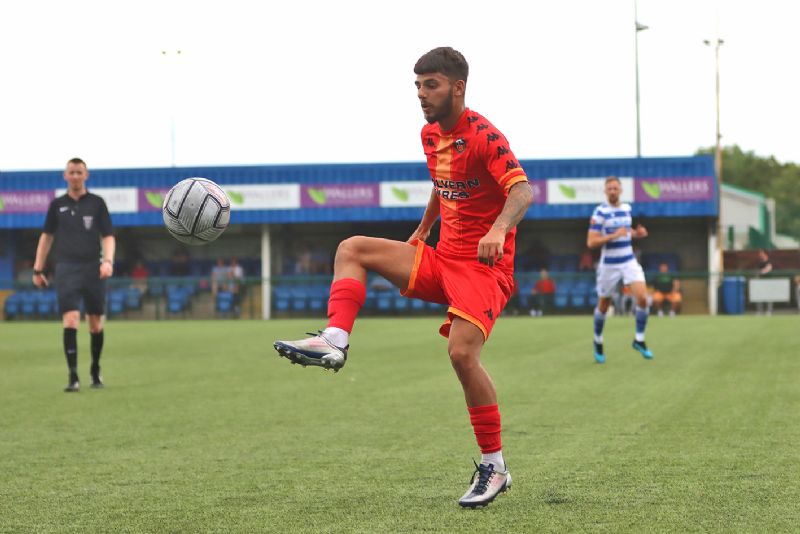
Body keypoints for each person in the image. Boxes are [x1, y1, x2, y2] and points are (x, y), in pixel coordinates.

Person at [273, 47, 533, 508]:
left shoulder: (484, 135)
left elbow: (521, 189)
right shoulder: (430, 135)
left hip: (483, 270)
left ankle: (494, 466)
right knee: (351, 248)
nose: (421, 94)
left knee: (461, 355)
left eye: (430, 85)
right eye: (416, 86)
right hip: (440, 259)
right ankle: (335, 340)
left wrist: (498, 228)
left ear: (458, 87)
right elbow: (443, 183)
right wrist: (423, 228)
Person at [32, 158, 115, 391]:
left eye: (80, 172)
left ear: (86, 175)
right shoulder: (56, 205)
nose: (76, 176)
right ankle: (73, 376)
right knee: (70, 319)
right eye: (72, 172)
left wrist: (107, 261)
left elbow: (108, 236)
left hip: (93, 268)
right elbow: (46, 238)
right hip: (66, 268)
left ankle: (95, 370)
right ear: (65, 176)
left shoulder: (97, 203)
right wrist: (38, 269)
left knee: (95, 324)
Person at [587, 176, 653, 364]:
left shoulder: (626, 209)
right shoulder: (600, 212)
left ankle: (639, 339)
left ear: (621, 190)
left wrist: (637, 234)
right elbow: (591, 242)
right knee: (604, 305)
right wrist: (613, 235)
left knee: (642, 298)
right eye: (610, 189)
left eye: (616, 188)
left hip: (628, 261)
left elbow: (626, 233)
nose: (613, 191)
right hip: (609, 264)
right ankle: (598, 340)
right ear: (605, 191)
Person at [755, 249, 773, 315]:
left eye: (762, 253)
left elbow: (768, 269)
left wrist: (762, 271)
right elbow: (757, 272)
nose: (760, 255)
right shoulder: (759, 262)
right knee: (759, 297)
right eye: (760, 254)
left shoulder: (769, 261)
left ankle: (769, 311)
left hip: (768, 283)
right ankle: (759, 311)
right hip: (760, 283)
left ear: (765, 254)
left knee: (769, 297)